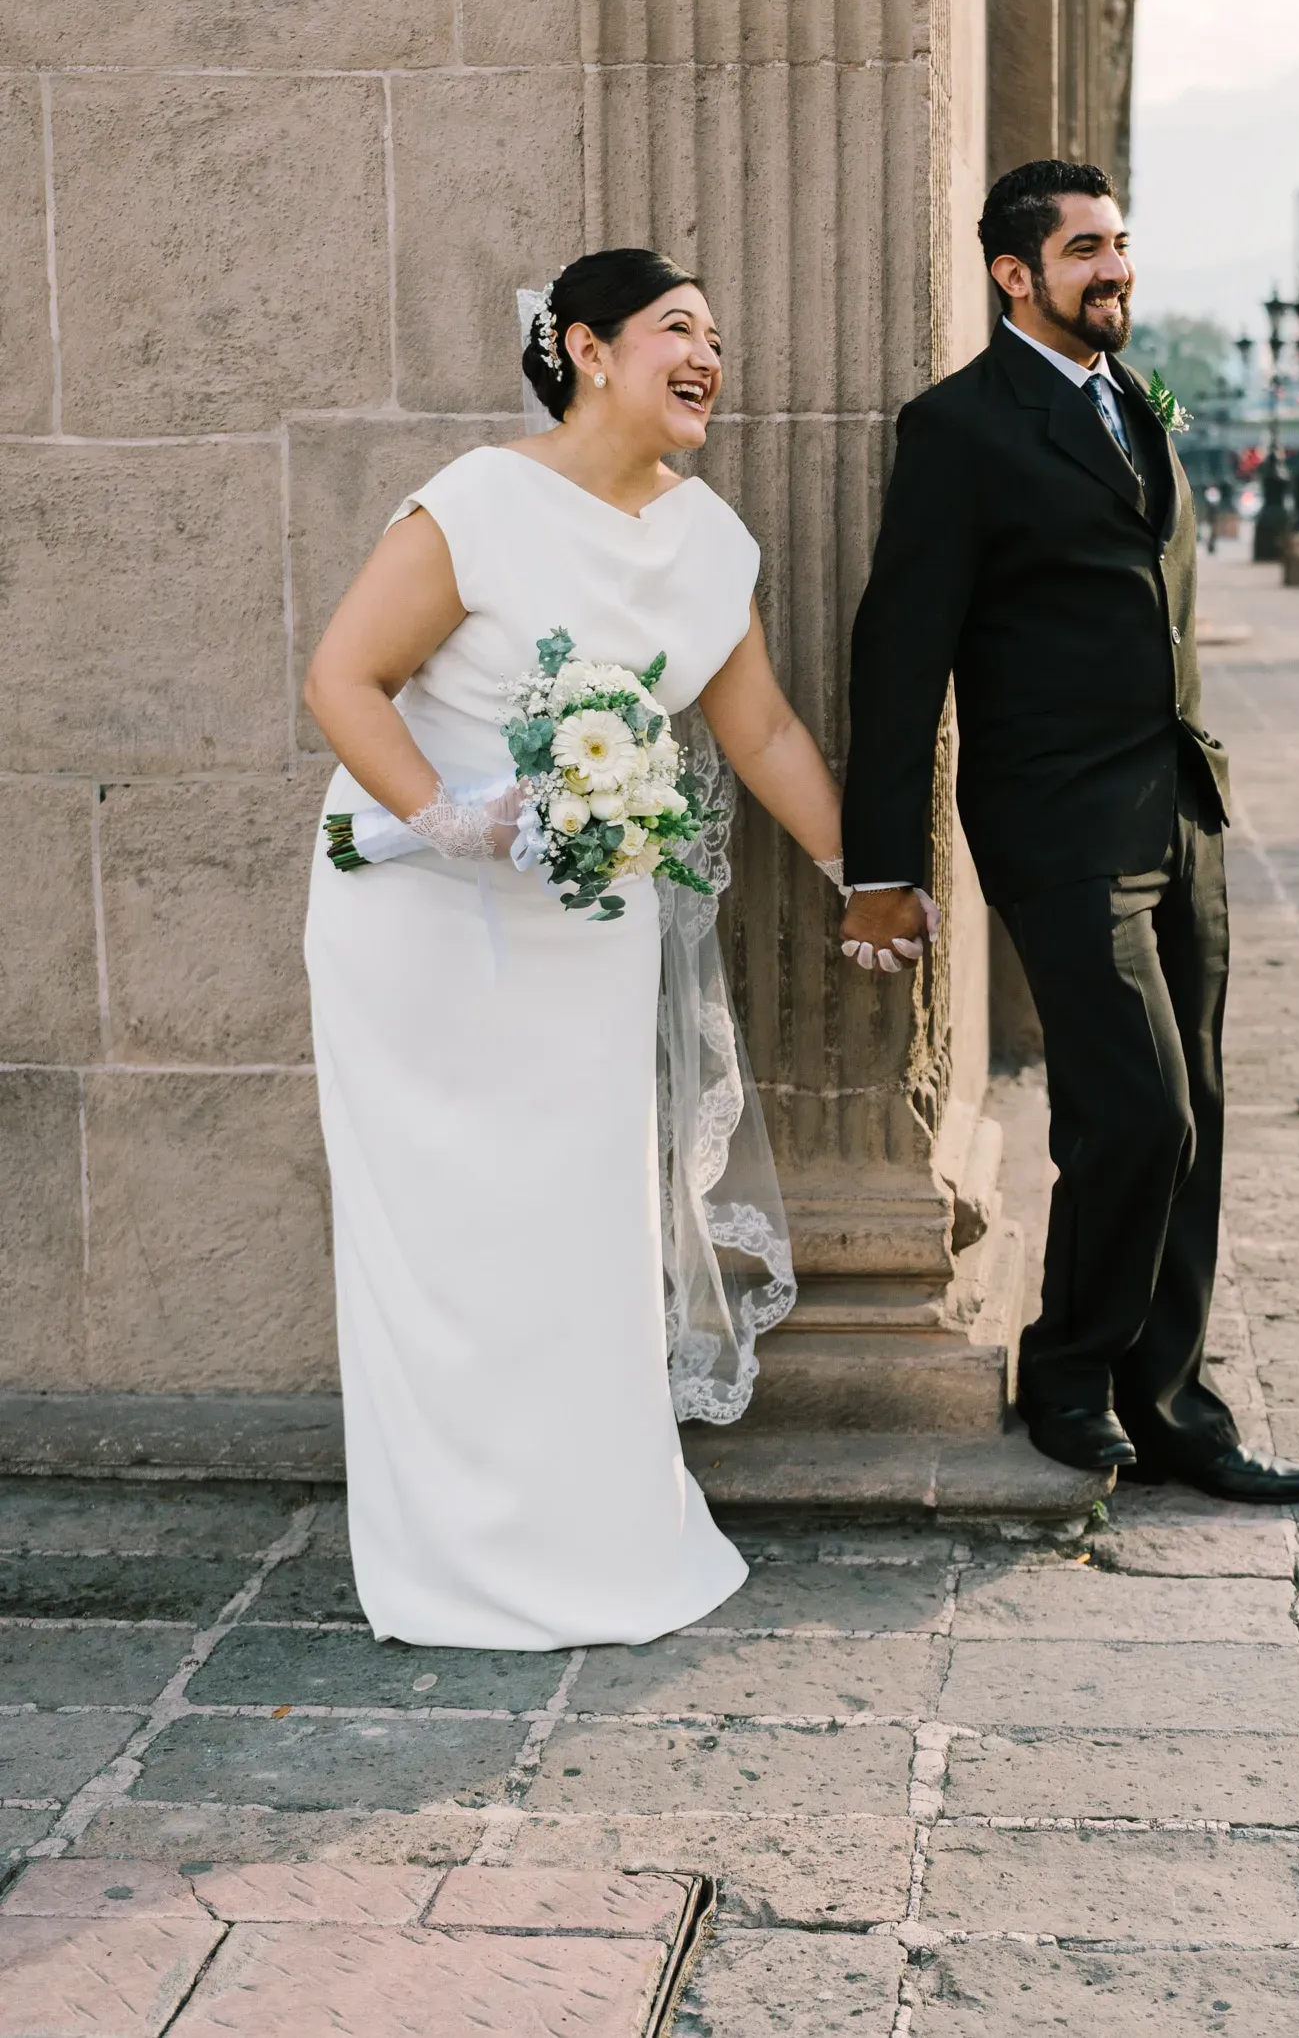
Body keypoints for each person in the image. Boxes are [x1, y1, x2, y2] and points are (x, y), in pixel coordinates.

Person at [302, 248, 875, 1649]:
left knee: (577, 1231)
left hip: (589, 931)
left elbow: (768, 732)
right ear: (587, 347)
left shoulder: (708, 541)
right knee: (448, 1241)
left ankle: (596, 1533)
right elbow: (342, 676)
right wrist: (447, 817)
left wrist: (870, 879)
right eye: (679, 328)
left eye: (719, 340)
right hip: (423, 925)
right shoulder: (479, 504)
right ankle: (451, 1553)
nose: (709, 357)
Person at [838, 163, 1299, 1504]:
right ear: (1014, 273)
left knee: (1200, 1112)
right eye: (1086, 250)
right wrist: (879, 867)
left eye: (1120, 244)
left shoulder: (1130, 402)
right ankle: (1065, 1369)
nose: (1115, 268)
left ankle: (1166, 1402)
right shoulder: (959, 429)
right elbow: (900, 654)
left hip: (1179, 804)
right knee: (1140, 1109)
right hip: (1057, 823)